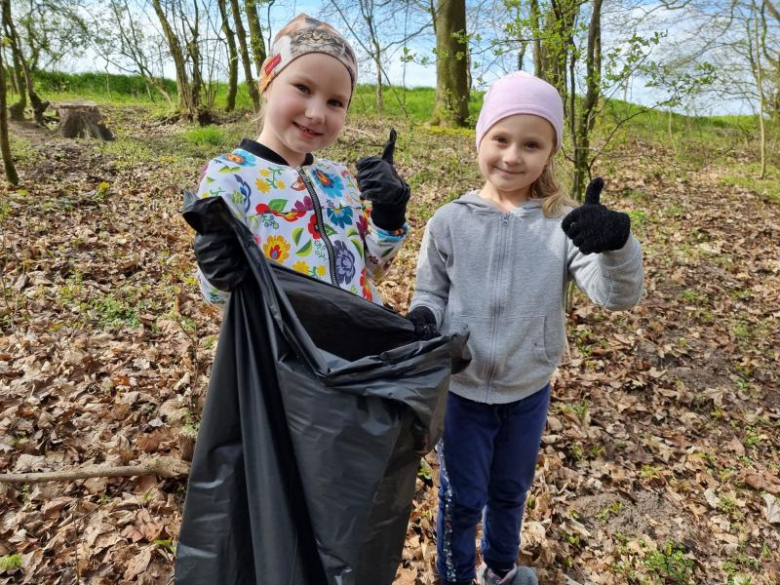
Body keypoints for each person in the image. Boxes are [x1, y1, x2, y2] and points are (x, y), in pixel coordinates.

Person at [407, 71, 644, 585]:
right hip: (462, 391)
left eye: (531, 144)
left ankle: (500, 570)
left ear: (549, 152)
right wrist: (424, 318)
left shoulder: (565, 223)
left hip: (527, 391)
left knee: (510, 492)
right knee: (461, 497)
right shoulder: (449, 220)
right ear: (480, 140)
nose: (513, 156)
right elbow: (430, 292)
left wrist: (618, 246)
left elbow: (617, 296)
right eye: (501, 139)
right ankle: (455, 576)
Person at [193, 13, 411, 308]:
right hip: (282, 337)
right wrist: (217, 272)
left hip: (359, 334)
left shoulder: (339, 177)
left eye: (335, 102)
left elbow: (370, 271)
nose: (317, 113)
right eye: (303, 88)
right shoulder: (229, 175)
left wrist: (389, 214)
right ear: (267, 84)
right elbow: (220, 298)